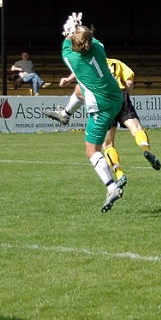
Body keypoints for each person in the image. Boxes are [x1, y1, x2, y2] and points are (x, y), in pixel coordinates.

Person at [46, 58, 161, 190]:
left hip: (103, 99)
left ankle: (119, 174)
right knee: (136, 128)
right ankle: (145, 149)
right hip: (120, 95)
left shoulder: (92, 63)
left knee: (108, 144)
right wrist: (126, 97)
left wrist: (69, 79)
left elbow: (80, 75)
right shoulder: (117, 63)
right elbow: (129, 81)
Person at [57, 13, 124, 212]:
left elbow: (66, 42)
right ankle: (65, 115)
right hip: (115, 97)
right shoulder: (99, 48)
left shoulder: (71, 57)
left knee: (92, 151)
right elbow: (87, 39)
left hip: (100, 107)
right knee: (79, 89)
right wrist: (79, 28)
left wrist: (69, 31)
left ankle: (112, 187)